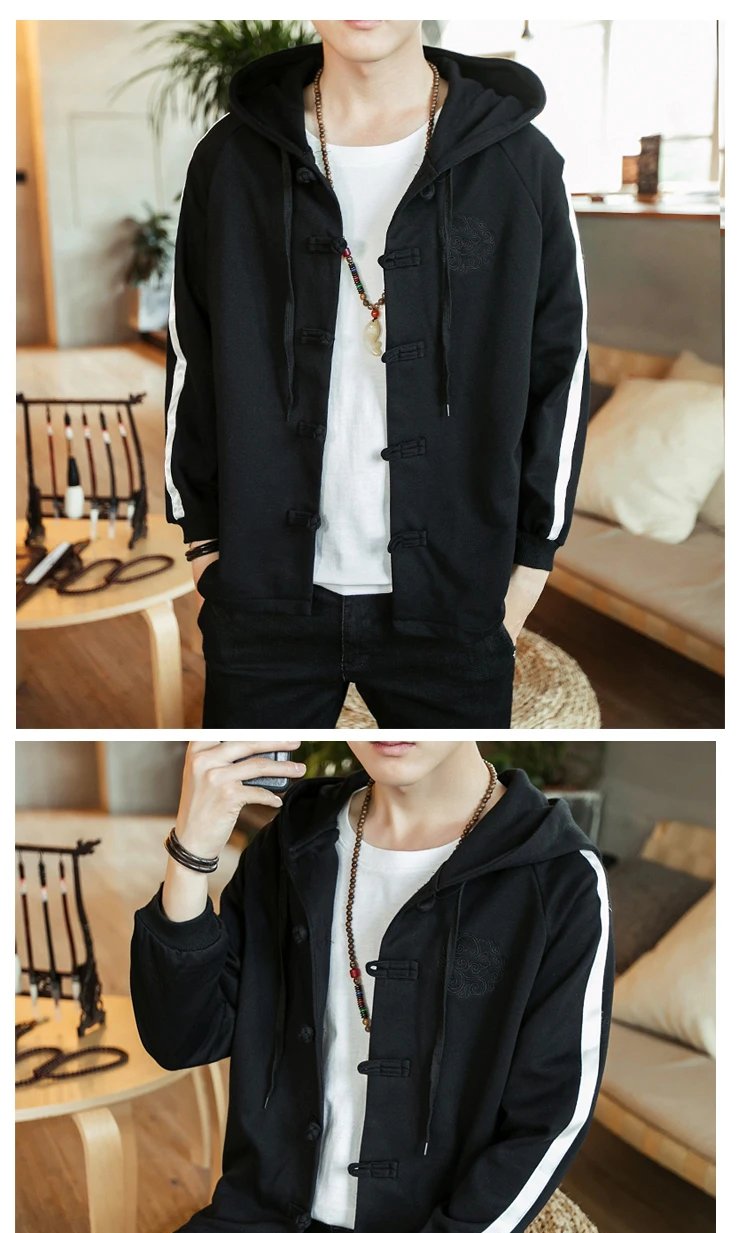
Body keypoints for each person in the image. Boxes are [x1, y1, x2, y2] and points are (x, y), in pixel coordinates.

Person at [16, 739, 613, 1233]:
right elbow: (185, 1037)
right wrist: (193, 850)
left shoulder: (558, 875)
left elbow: (550, 1124)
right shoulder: (297, 837)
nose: (391, 721)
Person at [169, 19, 590, 727]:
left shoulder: (522, 161)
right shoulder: (229, 158)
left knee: (450, 794)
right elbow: (192, 353)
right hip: (263, 594)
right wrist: (203, 538)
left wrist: (530, 565)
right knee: (243, 789)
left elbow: (562, 369)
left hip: (455, 600)